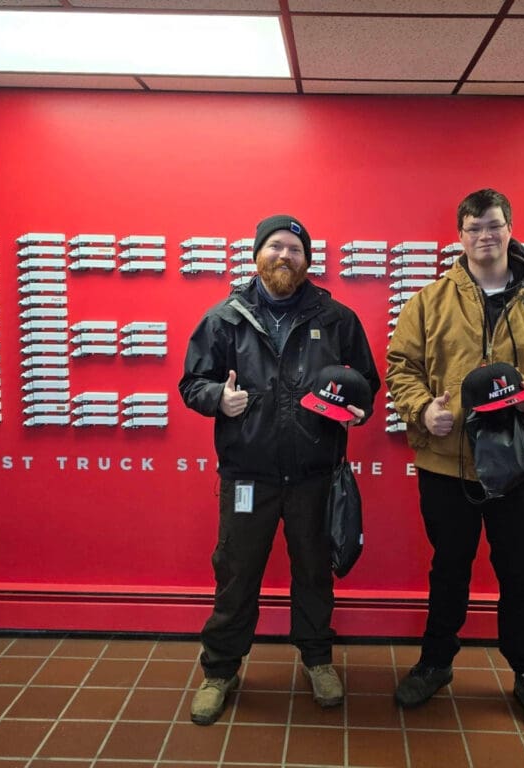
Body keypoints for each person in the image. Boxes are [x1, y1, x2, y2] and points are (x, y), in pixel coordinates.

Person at [385, 188, 524, 745]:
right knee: (448, 570)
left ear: (511, 228)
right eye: (473, 229)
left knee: (522, 578)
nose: (484, 237)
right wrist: (423, 409)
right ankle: (435, 663)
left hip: (520, 466)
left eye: (493, 226)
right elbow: (401, 367)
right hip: (447, 467)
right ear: (460, 236)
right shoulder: (427, 301)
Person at [179, 214, 380, 726]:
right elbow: (191, 384)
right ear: (256, 255)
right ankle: (220, 670)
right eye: (275, 246)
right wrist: (216, 400)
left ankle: (317, 660)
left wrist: (360, 409)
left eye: (294, 248)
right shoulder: (225, 318)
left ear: (308, 260)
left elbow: (366, 386)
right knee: (235, 574)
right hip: (247, 476)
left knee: (314, 573)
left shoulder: (337, 319)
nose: (284, 255)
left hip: (316, 476)